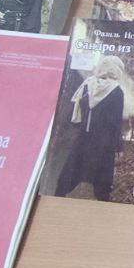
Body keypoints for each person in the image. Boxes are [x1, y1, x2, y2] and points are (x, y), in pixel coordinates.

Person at [54, 55, 126, 202]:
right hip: (104, 142)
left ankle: (57, 197)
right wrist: (118, 147)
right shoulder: (117, 91)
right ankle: (103, 202)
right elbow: (116, 123)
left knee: (73, 170)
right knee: (102, 178)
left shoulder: (88, 85)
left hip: (84, 138)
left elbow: (75, 116)